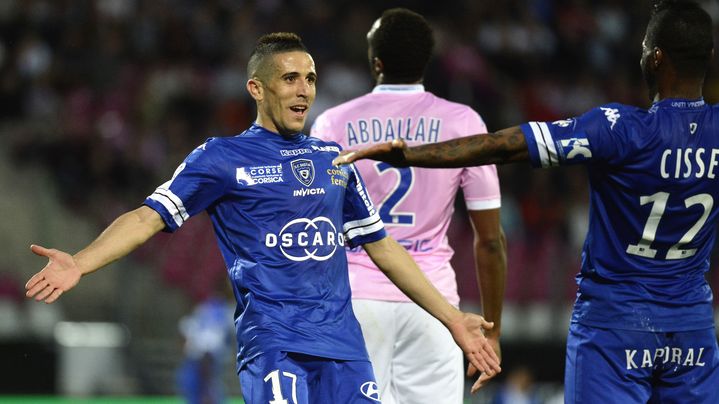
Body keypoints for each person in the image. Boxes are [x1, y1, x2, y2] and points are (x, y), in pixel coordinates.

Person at [24, 32, 501, 403]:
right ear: (257, 87)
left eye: (310, 78)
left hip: (344, 346)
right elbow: (148, 218)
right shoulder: (220, 158)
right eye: (290, 78)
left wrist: (453, 318)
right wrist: (80, 263)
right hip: (276, 346)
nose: (304, 90)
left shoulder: (334, 160)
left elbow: (384, 248)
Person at [335, 1, 719, 402]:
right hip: (691, 326)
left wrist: (411, 154)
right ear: (709, 56)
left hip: (615, 324)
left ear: (656, 58)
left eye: (644, 47)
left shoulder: (620, 129)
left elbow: (502, 147)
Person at [310, 8, 506, 403]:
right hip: (435, 305)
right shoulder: (462, 123)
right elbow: (489, 241)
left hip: (355, 298)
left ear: (376, 62)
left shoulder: (332, 123)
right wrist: (492, 332)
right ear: (426, 62)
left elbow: (318, 227)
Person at [176, 295, 234, 404]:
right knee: (192, 387)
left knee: (209, 390)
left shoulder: (225, 311)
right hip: (196, 359)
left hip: (209, 358)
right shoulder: (201, 311)